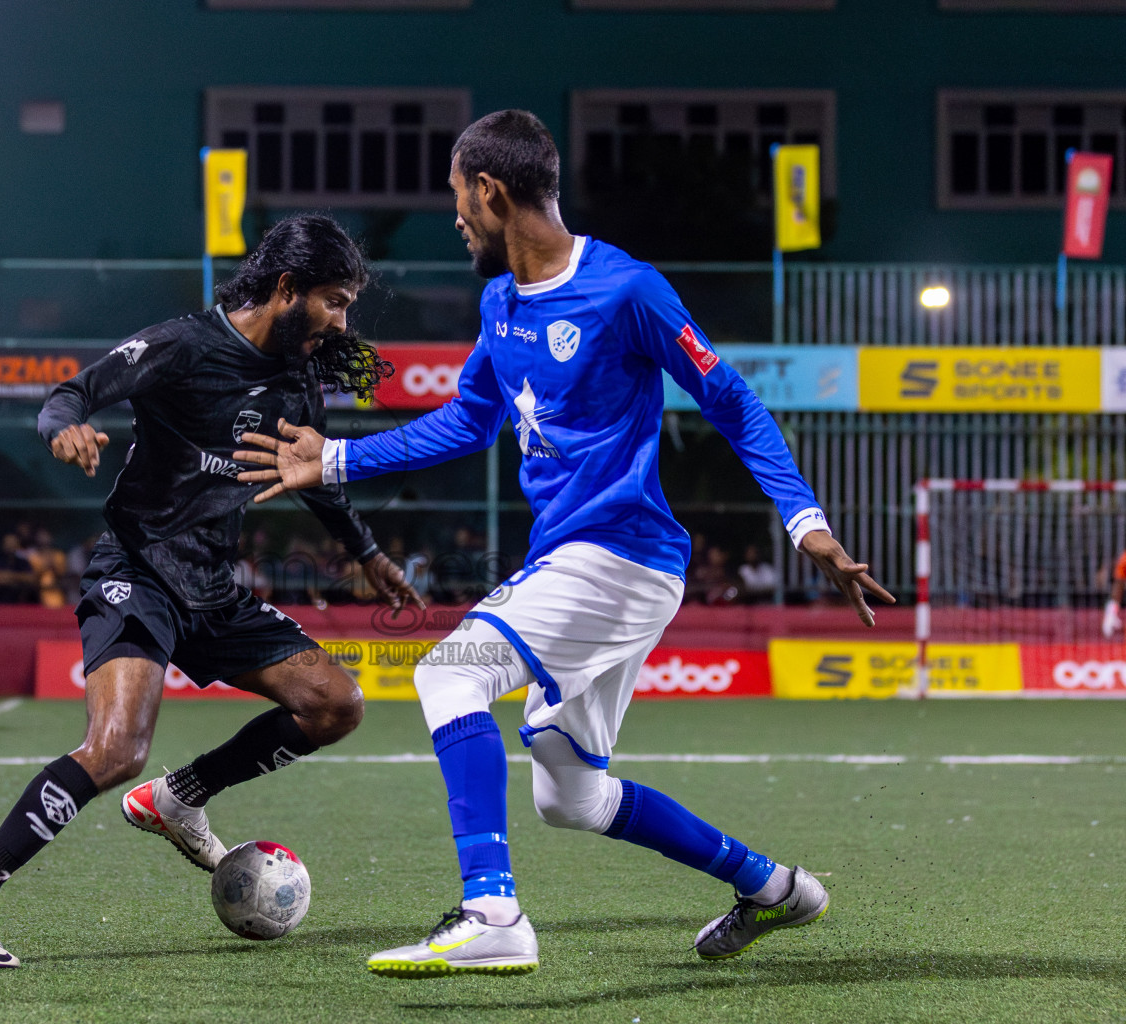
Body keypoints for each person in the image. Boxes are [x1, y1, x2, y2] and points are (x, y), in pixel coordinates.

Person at [235, 110, 894, 976]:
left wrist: (806, 523)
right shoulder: (500, 301)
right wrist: (340, 458)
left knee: (449, 672)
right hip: (579, 561)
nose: (456, 218)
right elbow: (471, 421)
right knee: (572, 796)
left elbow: (730, 400)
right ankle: (775, 888)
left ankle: (493, 913)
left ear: (491, 190)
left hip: (620, 554)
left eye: (458, 198)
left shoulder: (626, 289)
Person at [0, 214, 422, 969]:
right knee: (116, 748)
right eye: (334, 301)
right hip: (138, 571)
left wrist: (368, 552)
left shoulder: (299, 375)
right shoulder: (183, 346)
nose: (343, 322)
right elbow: (70, 394)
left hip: (214, 589)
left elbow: (308, 475)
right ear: (286, 289)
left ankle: (179, 796)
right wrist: (66, 429)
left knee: (335, 704)